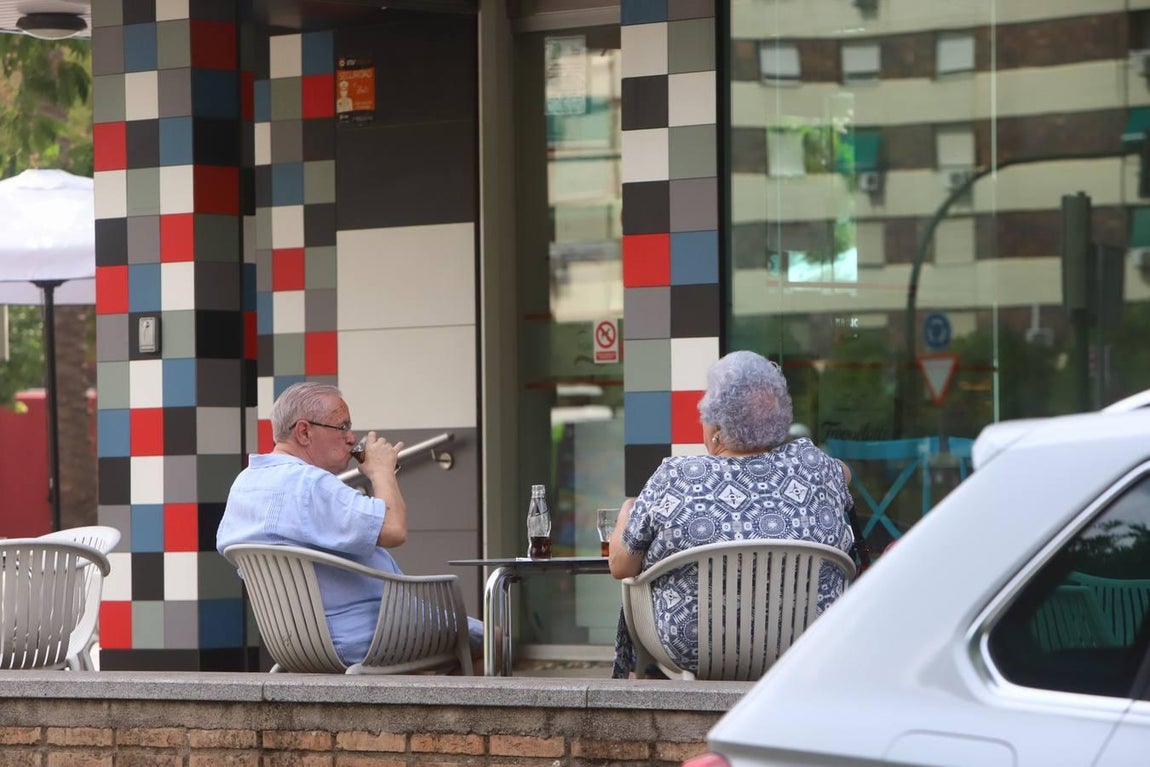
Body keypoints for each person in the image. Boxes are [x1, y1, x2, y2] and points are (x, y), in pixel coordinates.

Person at [608, 350, 856, 678]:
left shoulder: (675, 476)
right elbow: (844, 474)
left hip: (695, 646)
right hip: (805, 638)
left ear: (717, 429)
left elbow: (621, 566)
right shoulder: (816, 466)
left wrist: (627, 512)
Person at [216, 381, 484, 670]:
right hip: (367, 635)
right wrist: (381, 473)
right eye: (342, 427)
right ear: (304, 431)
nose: (351, 438)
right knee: (492, 640)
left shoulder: (244, 484)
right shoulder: (313, 484)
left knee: (435, 653)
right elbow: (394, 530)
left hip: (291, 645)